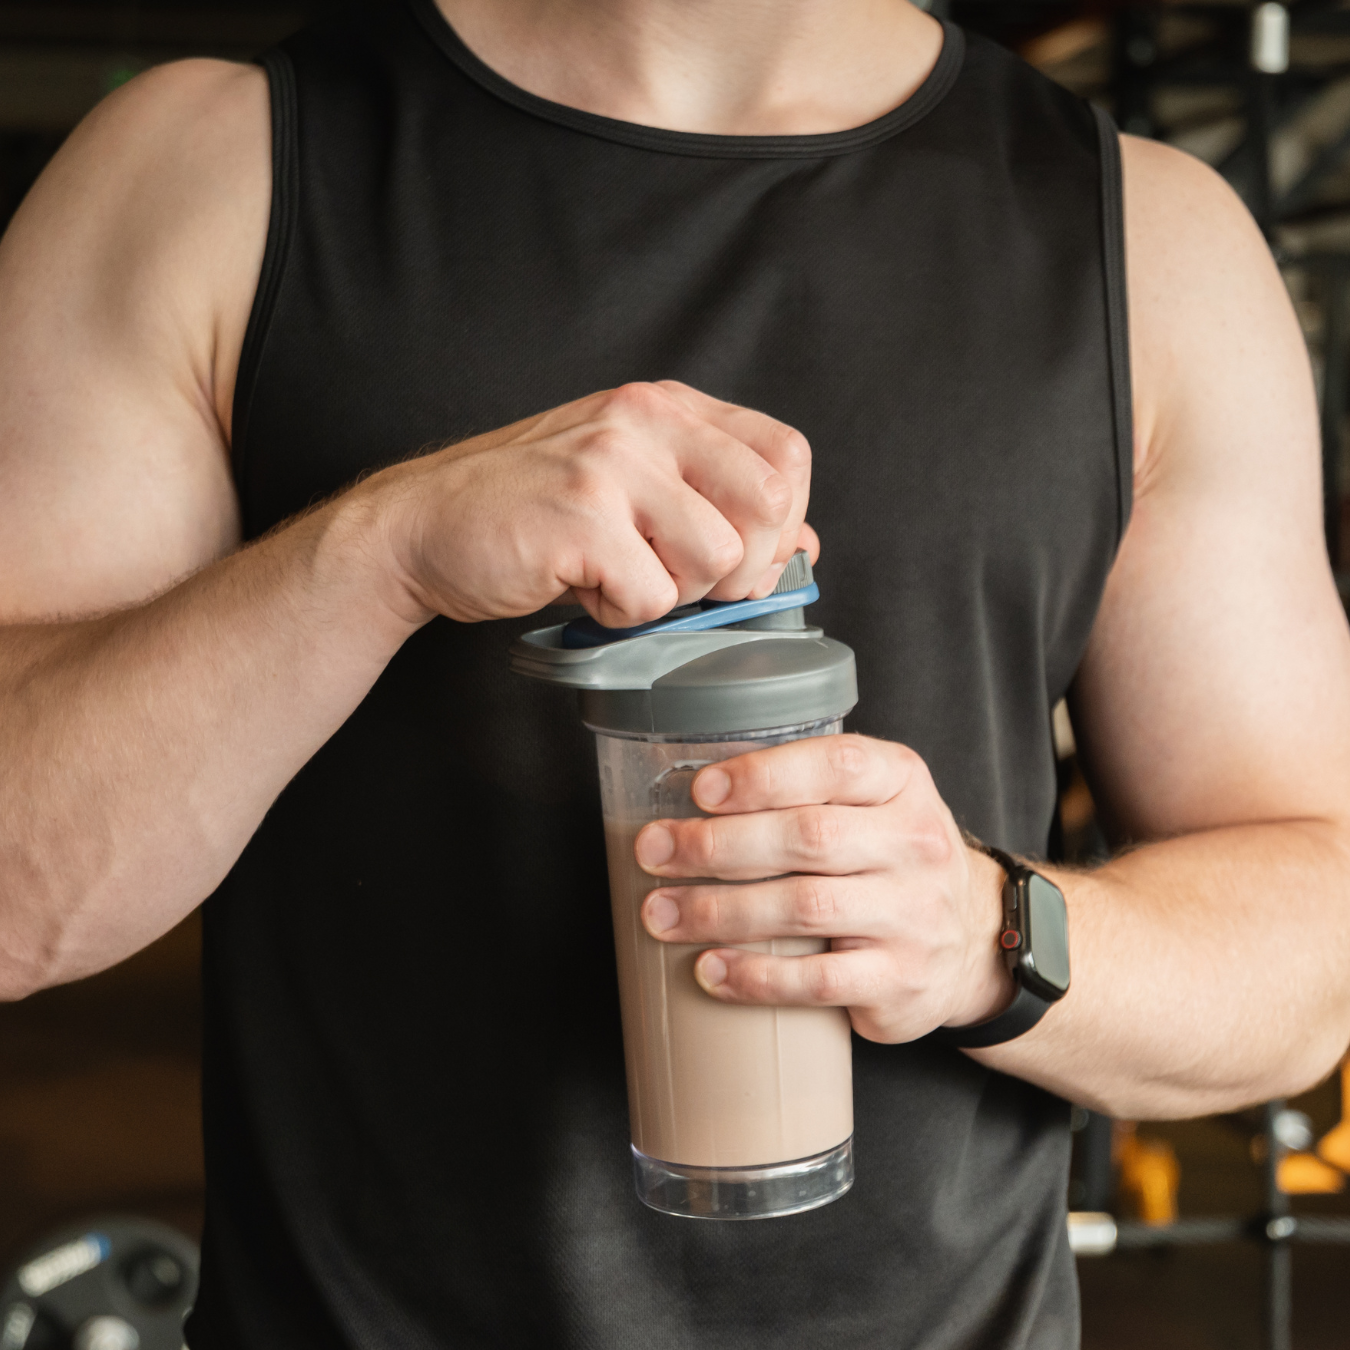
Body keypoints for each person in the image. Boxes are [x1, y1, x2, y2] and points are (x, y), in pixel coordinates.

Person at [1, 0, 1348, 1344]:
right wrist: (377, 551)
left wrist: (986, 932)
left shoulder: (1146, 242)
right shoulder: (202, 177)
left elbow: (1312, 944)